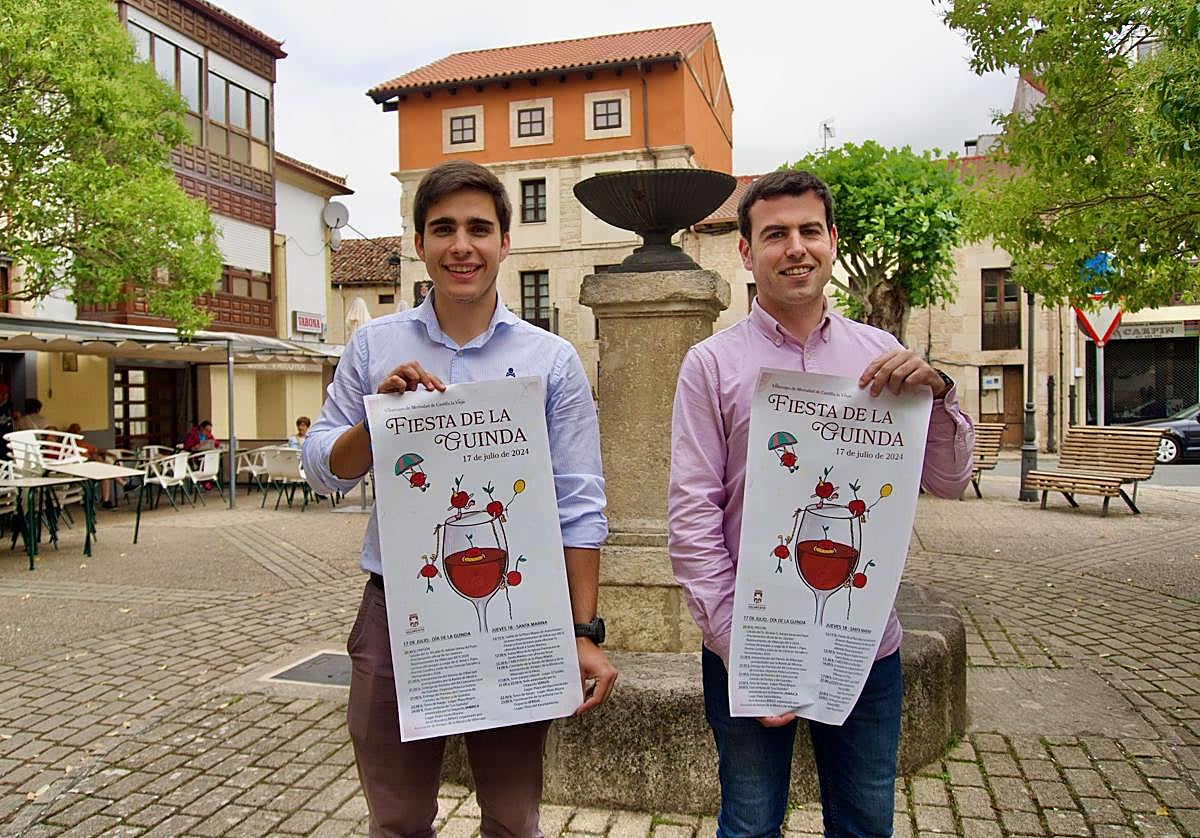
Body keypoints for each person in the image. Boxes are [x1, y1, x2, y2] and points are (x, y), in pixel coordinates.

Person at [303, 160, 617, 837]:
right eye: (443, 229)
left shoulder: (551, 361)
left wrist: (583, 632)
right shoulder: (374, 345)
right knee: (397, 819)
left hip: (517, 608)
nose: (461, 245)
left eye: (479, 228)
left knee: (510, 817)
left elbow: (580, 503)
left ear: (506, 242)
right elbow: (324, 469)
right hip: (397, 612)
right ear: (419, 244)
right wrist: (372, 422)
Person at [668, 170, 974, 838]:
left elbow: (949, 482)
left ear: (833, 241)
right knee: (748, 824)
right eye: (774, 234)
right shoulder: (712, 365)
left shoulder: (883, 356)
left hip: (864, 647)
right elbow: (692, 517)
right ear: (747, 252)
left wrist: (940, 395)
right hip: (748, 640)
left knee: (865, 823)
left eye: (809, 230)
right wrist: (734, 644)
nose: (795, 247)